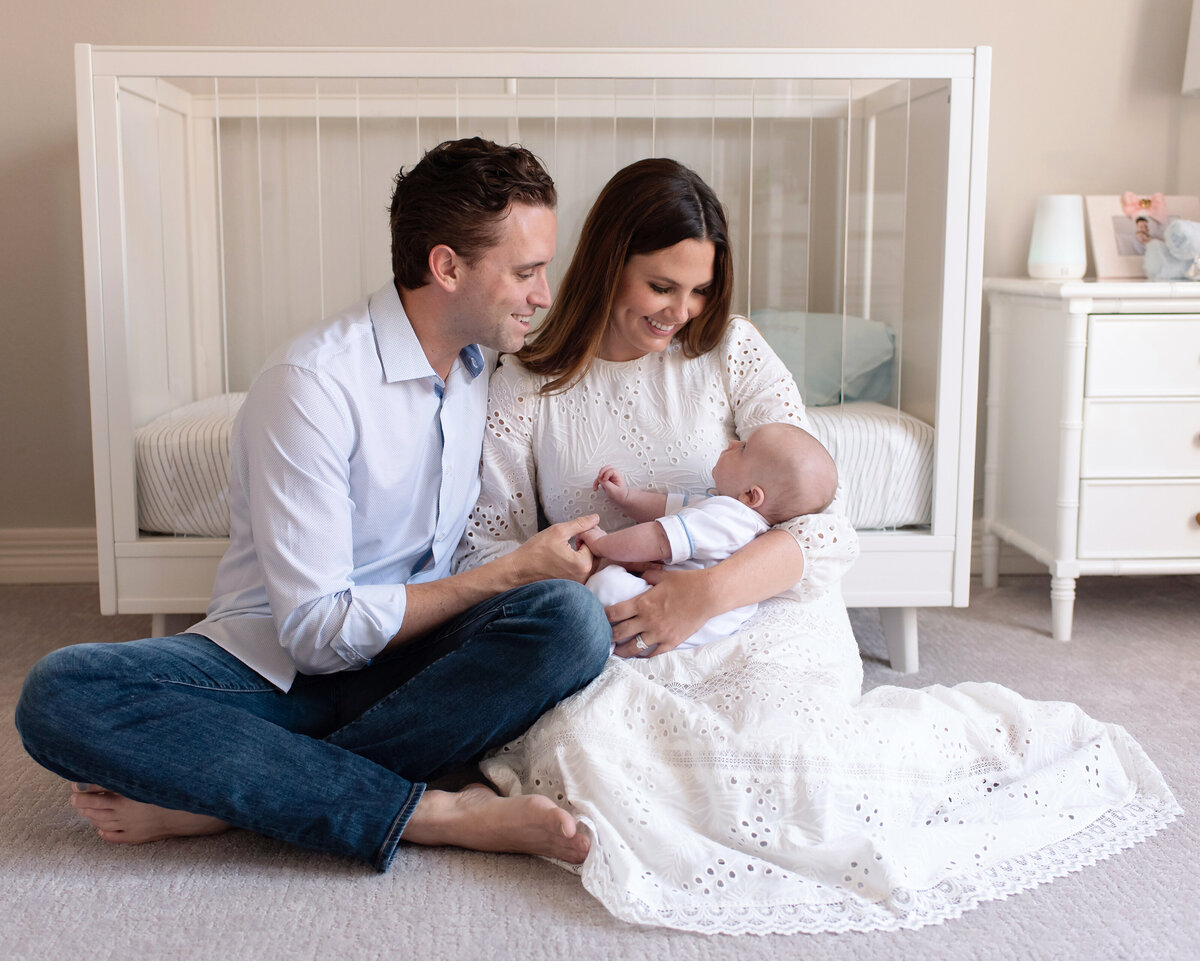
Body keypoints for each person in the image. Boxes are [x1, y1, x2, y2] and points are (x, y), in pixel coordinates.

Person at [453, 157, 1179, 935]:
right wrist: (574, 568)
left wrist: (707, 593)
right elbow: (485, 548)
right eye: (661, 287)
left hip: (757, 608)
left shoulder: (729, 349)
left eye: (699, 290)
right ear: (607, 263)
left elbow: (826, 519)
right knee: (608, 762)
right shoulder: (527, 381)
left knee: (803, 776)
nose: (680, 312)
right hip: (621, 629)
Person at [14, 137, 614, 871]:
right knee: (62, 694)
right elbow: (315, 634)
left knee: (571, 623)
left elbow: (451, 556)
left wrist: (557, 564)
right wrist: (505, 573)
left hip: (403, 664)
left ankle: (229, 794)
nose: (544, 293)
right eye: (526, 271)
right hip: (275, 670)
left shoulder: (473, 369)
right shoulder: (313, 383)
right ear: (446, 266)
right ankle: (425, 808)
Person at [580, 423, 837, 653]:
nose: (732, 443)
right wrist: (626, 498)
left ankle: (602, 643)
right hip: (707, 625)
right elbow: (665, 509)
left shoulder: (728, 517)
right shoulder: (727, 513)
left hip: (677, 619)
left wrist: (602, 544)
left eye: (744, 448)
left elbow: (657, 537)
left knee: (606, 584)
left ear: (750, 495)